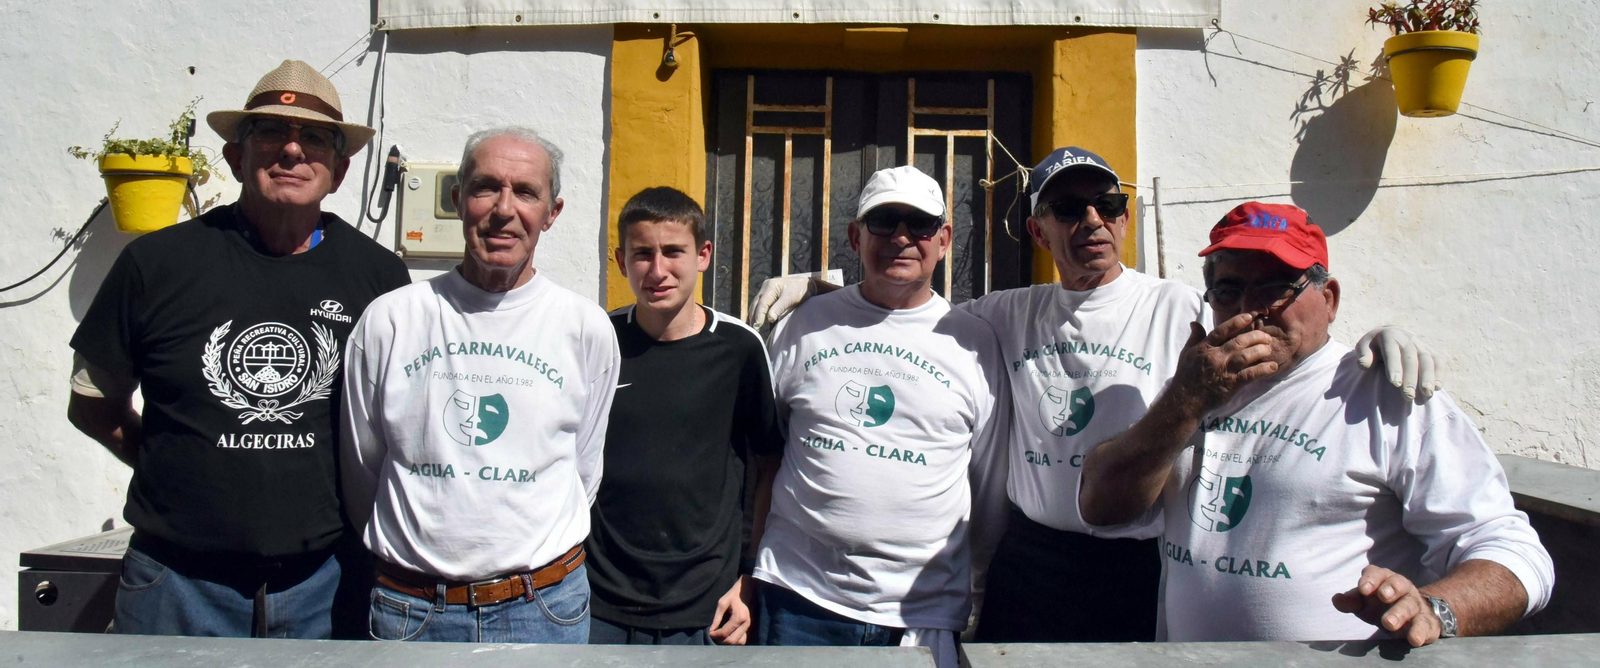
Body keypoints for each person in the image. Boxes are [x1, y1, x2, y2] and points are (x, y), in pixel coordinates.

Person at [749, 146, 1438, 643]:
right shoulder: (1003, 313)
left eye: (1108, 204)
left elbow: (1280, 340)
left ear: (1126, 217)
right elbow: (910, 304)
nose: (1092, 221)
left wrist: (1368, 342)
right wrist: (823, 287)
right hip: (1031, 560)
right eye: (1068, 208)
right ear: (1037, 229)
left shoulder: (1178, 308)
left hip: (1133, 563)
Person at [1078, 202, 1552, 644]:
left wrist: (1436, 609)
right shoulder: (1198, 386)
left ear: (1329, 298)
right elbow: (1100, 506)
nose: (1251, 306)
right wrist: (1185, 400)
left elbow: (1516, 554)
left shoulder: (1386, 395)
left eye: (1276, 285)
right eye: (1229, 289)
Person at [67, 60, 411, 638]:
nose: (293, 151)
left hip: (326, 584)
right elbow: (92, 403)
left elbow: (399, 421)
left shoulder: (378, 277)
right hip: (175, 586)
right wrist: (174, 467)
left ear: (342, 168)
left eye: (315, 138)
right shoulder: (155, 266)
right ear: (235, 157)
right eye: (271, 133)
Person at [340, 127, 620, 643]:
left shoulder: (583, 329)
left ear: (552, 212)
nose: (503, 210)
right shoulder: (391, 321)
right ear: (457, 198)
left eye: (526, 192)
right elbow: (363, 471)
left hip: (545, 610)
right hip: (411, 610)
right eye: (486, 187)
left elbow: (583, 469)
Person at [755, 166, 1009, 668]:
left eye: (918, 225)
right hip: (798, 598)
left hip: (920, 615)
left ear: (944, 238)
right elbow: (766, 448)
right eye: (884, 222)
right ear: (855, 236)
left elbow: (989, 483)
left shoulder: (973, 343)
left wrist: (973, 591)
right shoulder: (804, 325)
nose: (901, 238)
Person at [587, 187, 784, 646]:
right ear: (620, 260)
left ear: (703, 255)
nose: (658, 270)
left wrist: (749, 576)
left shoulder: (739, 348)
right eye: (642, 254)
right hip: (598, 602)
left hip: (708, 606)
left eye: (674, 251)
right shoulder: (598, 339)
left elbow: (769, 466)